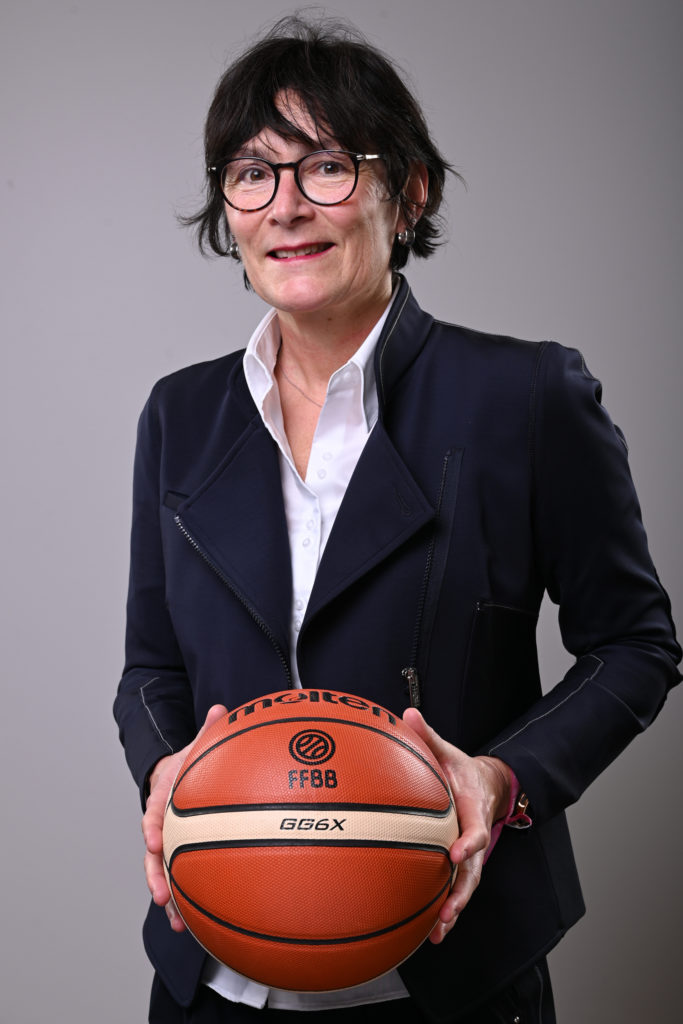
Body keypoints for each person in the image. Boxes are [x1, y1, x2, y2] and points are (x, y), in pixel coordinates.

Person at [114, 15, 681, 1024]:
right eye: (251, 174)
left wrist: (501, 779)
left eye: (327, 166)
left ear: (408, 190)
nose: (286, 206)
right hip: (213, 968)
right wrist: (167, 772)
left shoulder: (525, 397)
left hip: (452, 973)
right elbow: (151, 668)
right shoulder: (179, 413)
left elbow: (634, 646)